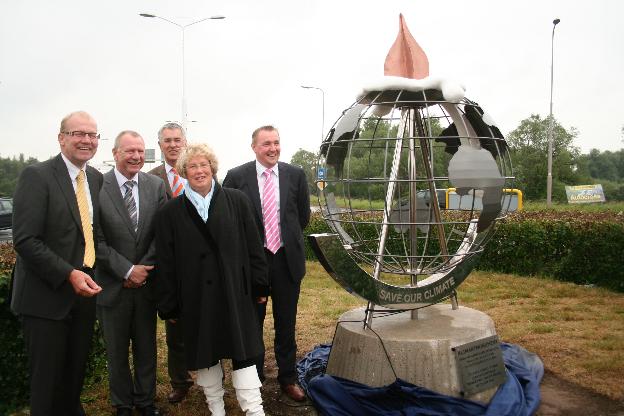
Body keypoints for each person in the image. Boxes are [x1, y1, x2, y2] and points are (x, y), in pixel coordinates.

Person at [155, 144, 268, 416]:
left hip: (235, 293)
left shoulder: (237, 200)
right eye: (192, 166)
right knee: (206, 353)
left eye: (203, 165)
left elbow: (254, 246)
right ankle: (216, 408)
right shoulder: (170, 212)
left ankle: (254, 409)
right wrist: (169, 305)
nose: (199, 170)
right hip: (196, 298)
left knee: (244, 354)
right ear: (184, 172)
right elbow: (166, 262)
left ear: (213, 168)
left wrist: (260, 284)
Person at [10, 111, 104, 415]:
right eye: (79, 133)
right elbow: (25, 240)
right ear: (61, 138)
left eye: (92, 135)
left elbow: (91, 234)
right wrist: (69, 274)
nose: (86, 140)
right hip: (45, 299)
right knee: (47, 387)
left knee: (73, 381)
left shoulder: (95, 178)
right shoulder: (37, 176)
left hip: (83, 297)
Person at [223, 125, 310, 402]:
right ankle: (254, 378)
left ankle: (288, 378)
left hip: (286, 261)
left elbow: (303, 215)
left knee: (286, 322)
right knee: (252, 323)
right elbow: (226, 217)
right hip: (252, 263)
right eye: (266, 144)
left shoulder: (295, 175)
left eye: (276, 143)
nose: (273, 148)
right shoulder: (237, 177)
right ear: (254, 148)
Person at [95, 131, 167, 416]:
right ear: (115, 153)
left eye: (140, 151)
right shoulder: (97, 185)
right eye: (129, 151)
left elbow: (161, 234)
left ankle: (146, 401)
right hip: (113, 284)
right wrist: (125, 269)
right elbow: (95, 238)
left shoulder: (155, 185)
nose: (136, 156)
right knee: (116, 351)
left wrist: (142, 270)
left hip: (146, 283)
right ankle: (122, 403)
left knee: (146, 348)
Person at [147, 122, 193, 403]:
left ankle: (213, 377)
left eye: (177, 139)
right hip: (169, 267)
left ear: (185, 142)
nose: (173, 145)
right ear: (161, 144)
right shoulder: (150, 178)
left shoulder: (199, 171)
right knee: (174, 328)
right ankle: (180, 381)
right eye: (167, 141)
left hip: (200, 266)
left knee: (206, 321)